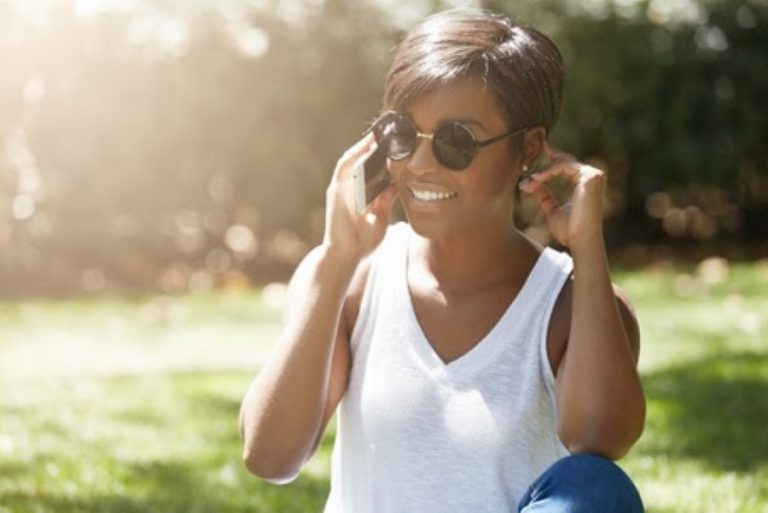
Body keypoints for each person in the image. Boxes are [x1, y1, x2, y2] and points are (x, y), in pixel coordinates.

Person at [239, 8, 646, 513]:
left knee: (596, 489)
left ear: (528, 148)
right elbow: (269, 456)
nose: (418, 164)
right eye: (401, 134)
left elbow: (598, 444)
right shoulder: (352, 282)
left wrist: (588, 248)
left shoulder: (570, 306)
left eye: (457, 141)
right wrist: (337, 259)